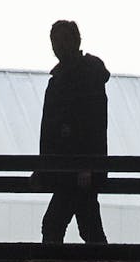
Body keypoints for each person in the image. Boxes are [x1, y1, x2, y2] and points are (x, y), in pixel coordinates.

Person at [38, 19, 110, 244]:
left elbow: (90, 125)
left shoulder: (70, 79)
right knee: (87, 226)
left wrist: (85, 165)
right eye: (55, 41)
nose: (58, 46)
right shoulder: (84, 76)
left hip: (71, 170)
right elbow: (93, 125)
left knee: (55, 224)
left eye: (62, 40)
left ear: (75, 41)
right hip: (75, 170)